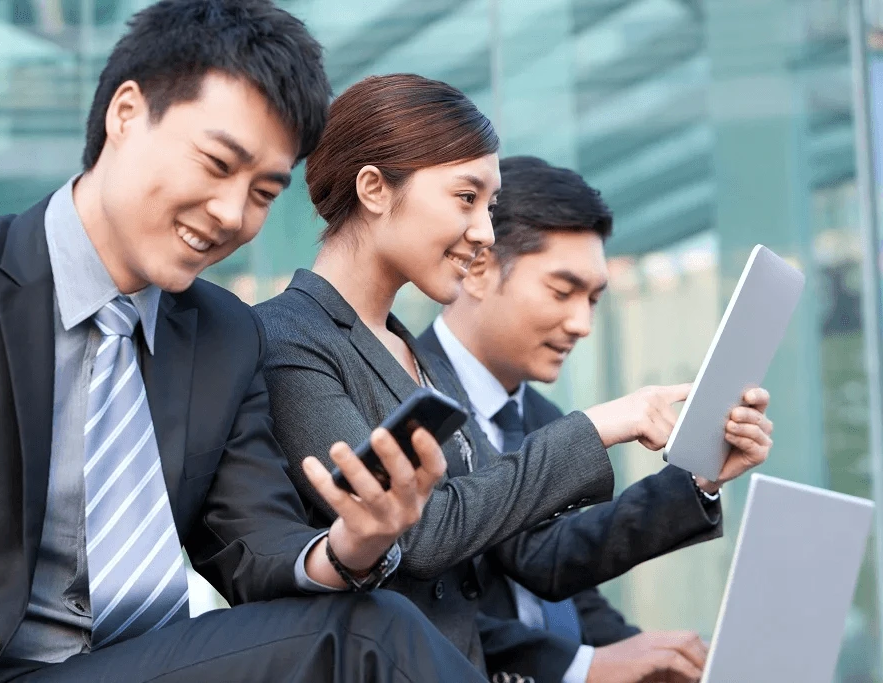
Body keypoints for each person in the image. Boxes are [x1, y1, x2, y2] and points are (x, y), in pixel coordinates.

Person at [0, 3, 493, 682]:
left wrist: (352, 543)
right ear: (126, 114)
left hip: (138, 663)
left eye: (263, 191)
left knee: (373, 624)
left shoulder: (225, 336)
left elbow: (256, 548)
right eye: (218, 163)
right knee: (378, 638)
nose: (231, 214)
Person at [255, 74, 773, 679]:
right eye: (466, 198)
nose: (484, 233)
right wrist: (606, 423)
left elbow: (525, 548)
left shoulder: (412, 356)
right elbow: (418, 537)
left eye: (490, 206)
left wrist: (698, 475)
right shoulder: (289, 336)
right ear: (373, 187)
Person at [418, 156, 760, 683]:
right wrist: (585, 667)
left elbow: (566, 584)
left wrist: (657, 661)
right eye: (562, 291)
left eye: (595, 299)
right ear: (480, 268)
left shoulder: (541, 416)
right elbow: (423, 612)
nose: (582, 323)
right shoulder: (406, 397)